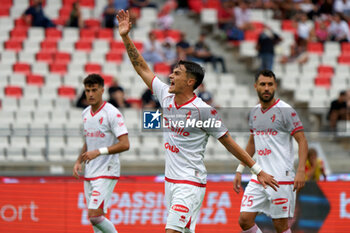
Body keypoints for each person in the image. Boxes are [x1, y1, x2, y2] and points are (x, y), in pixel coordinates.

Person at [117, 10, 279, 233]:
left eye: (177, 73)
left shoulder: (204, 112)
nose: (170, 77)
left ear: (190, 81)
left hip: (190, 183)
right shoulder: (165, 95)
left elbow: (228, 142)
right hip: (170, 182)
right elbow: (142, 68)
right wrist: (126, 37)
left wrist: (256, 169)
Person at [233, 70, 308, 233]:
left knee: (280, 225)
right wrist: (240, 169)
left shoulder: (286, 111)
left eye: (270, 84)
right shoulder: (254, 113)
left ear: (275, 86)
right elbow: (252, 142)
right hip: (259, 175)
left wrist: (301, 170)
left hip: (281, 177)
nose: (266, 88)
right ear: (255, 87)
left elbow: (302, 140)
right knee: (244, 220)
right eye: (262, 84)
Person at [73, 74, 130, 233]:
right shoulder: (85, 113)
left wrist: (99, 152)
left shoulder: (112, 113)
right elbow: (89, 140)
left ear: (102, 90)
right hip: (90, 172)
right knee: (96, 222)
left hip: (107, 170)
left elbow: (125, 144)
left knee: (95, 216)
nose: (90, 94)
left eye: (94, 90)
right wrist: (78, 161)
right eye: (87, 90)